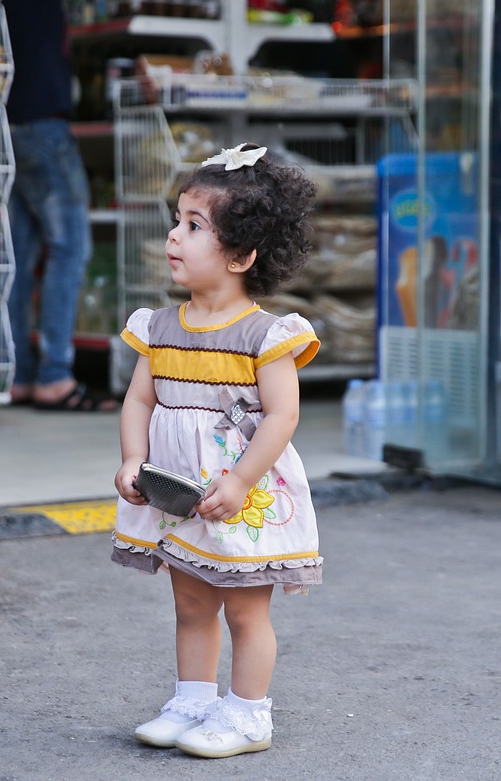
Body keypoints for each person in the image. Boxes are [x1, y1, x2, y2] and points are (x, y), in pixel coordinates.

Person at [111, 143, 323, 759]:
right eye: (177, 221)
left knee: (245, 610)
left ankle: (249, 713)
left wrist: (240, 481)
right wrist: (132, 459)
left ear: (242, 255)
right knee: (192, 600)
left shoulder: (266, 335)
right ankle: (194, 700)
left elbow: (283, 416)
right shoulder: (159, 328)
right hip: (180, 490)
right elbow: (139, 403)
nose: (175, 237)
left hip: (240, 491)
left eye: (194, 227)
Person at [3, 0, 133, 411]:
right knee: (70, 245)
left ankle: (17, 372)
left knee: (20, 252)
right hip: (41, 124)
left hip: (9, 122)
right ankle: (56, 373)